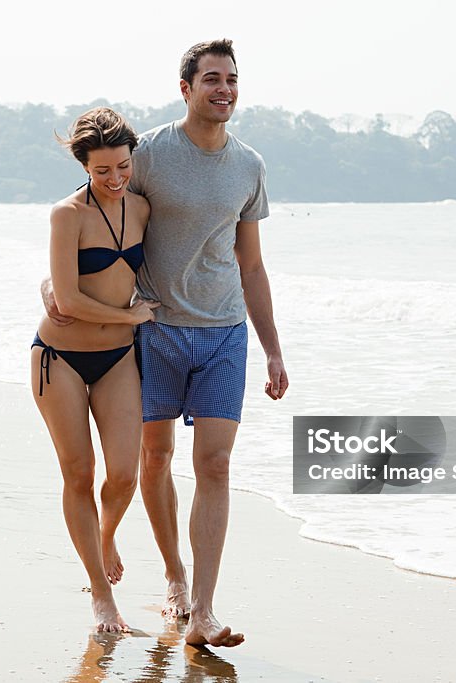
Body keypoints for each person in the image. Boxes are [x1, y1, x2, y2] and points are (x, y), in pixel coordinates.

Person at [44, 39, 289, 648]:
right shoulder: (148, 153)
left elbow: (252, 265)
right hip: (154, 330)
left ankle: (202, 611)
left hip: (225, 332)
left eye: (232, 78)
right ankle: (174, 577)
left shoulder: (249, 166)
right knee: (154, 460)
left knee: (216, 463)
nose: (224, 89)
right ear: (187, 89)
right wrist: (53, 280)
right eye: (211, 79)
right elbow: (97, 205)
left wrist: (274, 349)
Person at [31, 107, 158, 634]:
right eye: (102, 170)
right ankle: (102, 598)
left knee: (125, 474)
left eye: (123, 167)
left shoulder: (145, 208)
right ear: (84, 165)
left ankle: (104, 538)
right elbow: (67, 300)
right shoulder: (67, 215)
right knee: (79, 472)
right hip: (59, 357)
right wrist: (129, 315)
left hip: (118, 359)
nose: (114, 179)